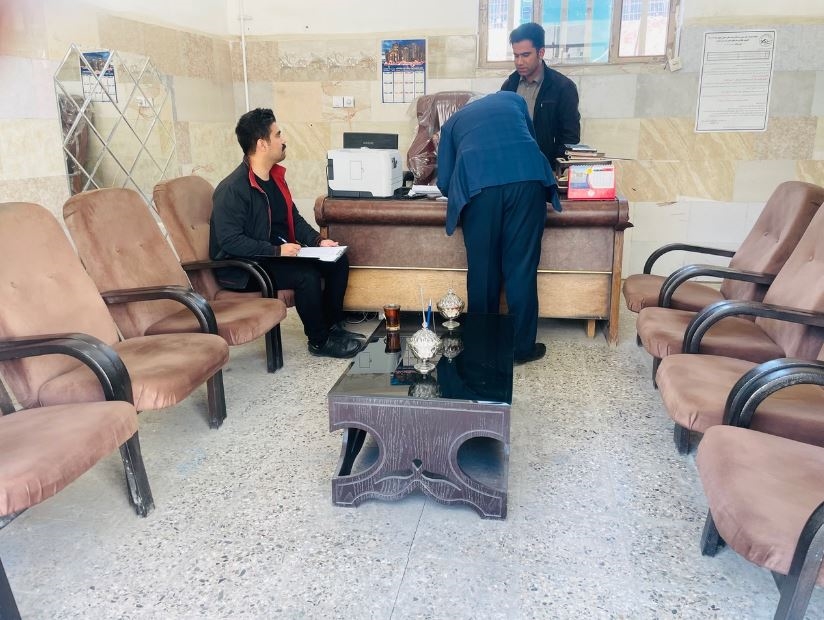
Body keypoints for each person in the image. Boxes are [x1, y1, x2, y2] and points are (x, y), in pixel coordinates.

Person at [210, 108, 363, 359]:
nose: (284, 140)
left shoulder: (275, 178)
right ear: (262, 144)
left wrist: (318, 241)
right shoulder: (232, 189)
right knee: (305, 275)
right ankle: (319, 341)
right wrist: (276, 250)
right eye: (278, 134)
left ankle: (333, 327)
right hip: (245, 269)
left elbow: (294, 218)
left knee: (338, 260)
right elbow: (230, 241)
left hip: (273, 256)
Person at [436, 91, 561, 365]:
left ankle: (482, 346)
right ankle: (521, 348)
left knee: (482, 271)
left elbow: (444, 181)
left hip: (480, 189)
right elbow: (530, 141)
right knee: (521, 268)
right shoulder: (512, 99)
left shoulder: (452, 123)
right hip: (528, 180)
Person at [500, 22, 580, 172]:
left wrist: (555, 170)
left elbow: (570, 139)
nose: (519, 62)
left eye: (525, 55)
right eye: (516, 55)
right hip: (514, 168)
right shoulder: (509, 86)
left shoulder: (563, 88)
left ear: (541, 52)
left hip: (547, 170)